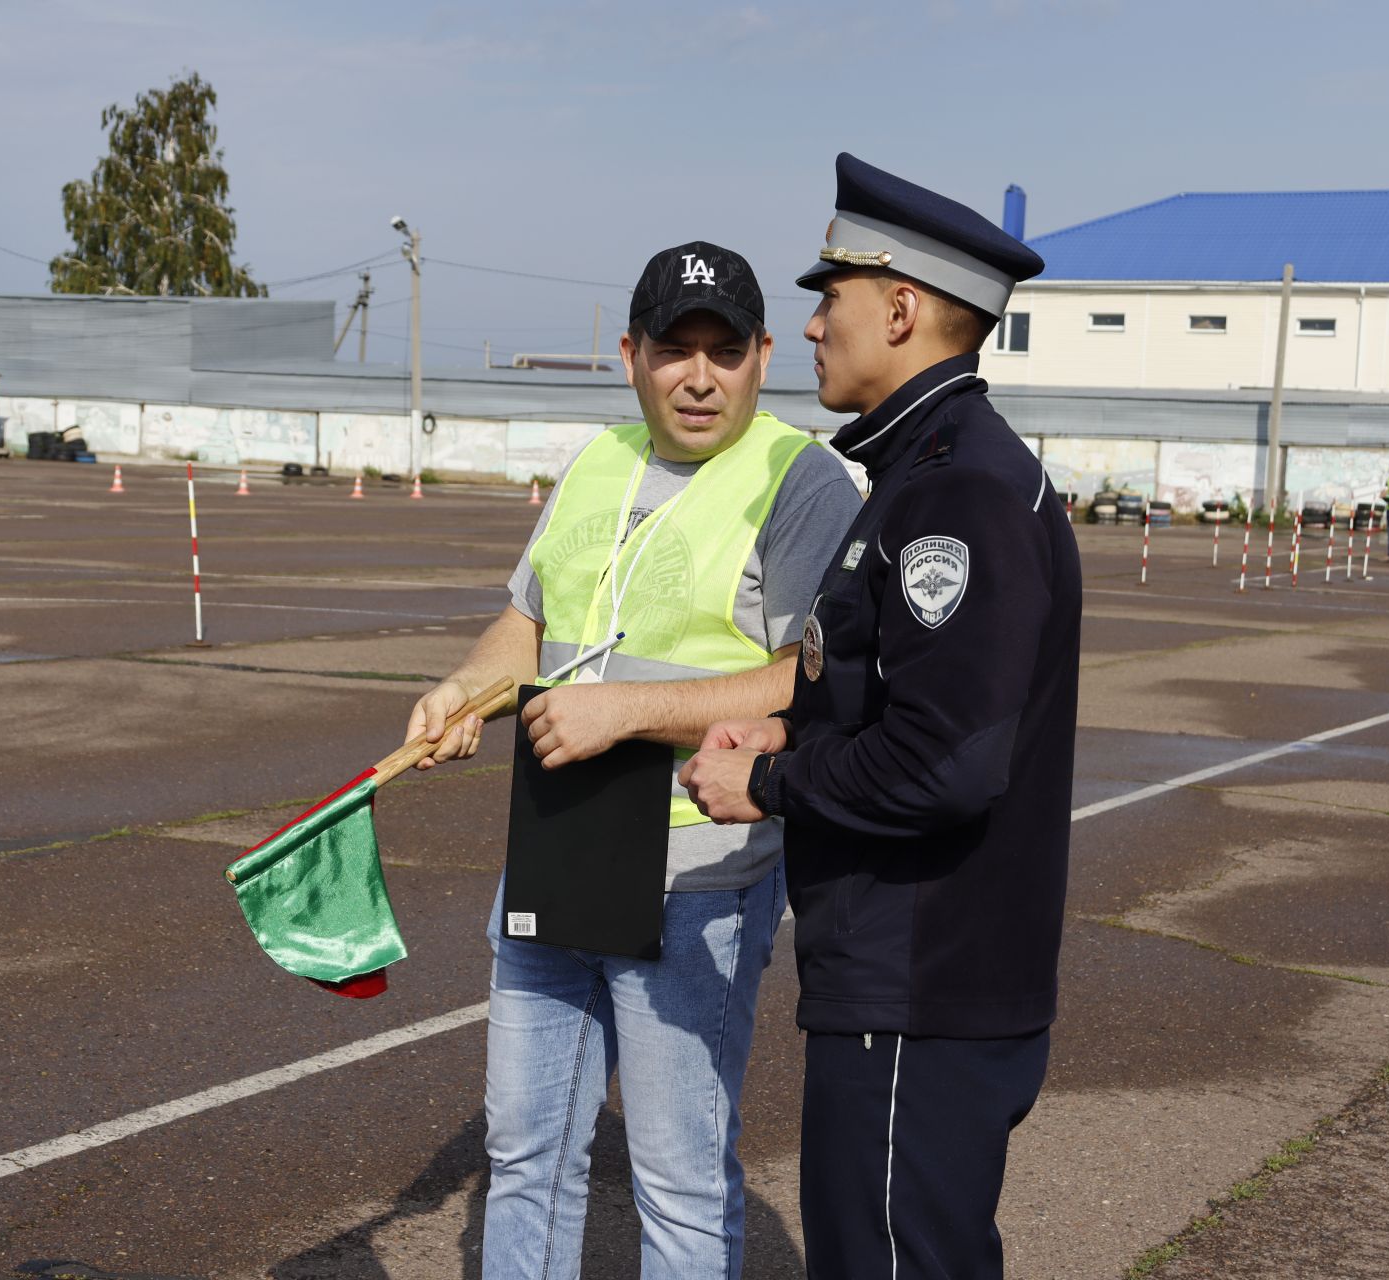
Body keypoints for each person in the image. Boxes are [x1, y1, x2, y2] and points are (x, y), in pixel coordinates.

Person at [404, 240, 862, 1279]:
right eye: (674, 348)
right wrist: (462, 687)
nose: (699, 375)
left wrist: (631, 711)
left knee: (680, 1179)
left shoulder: (804, 481)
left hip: (697, 875)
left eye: (725, 349)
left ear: (761, 355)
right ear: (630, 354)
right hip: (557, 851)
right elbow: (525, 626)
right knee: (525, 1154)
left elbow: (812, 682)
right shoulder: (596, 461)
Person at [679, 154, 1083, 1280]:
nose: (809, 326)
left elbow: (944, 761)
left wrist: (764, 785)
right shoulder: (924, 471)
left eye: (830, 298)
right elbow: (897, 696)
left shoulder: (956, 490)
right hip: (915, 981)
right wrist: (790, 728)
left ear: (901, 309)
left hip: (923, 984)